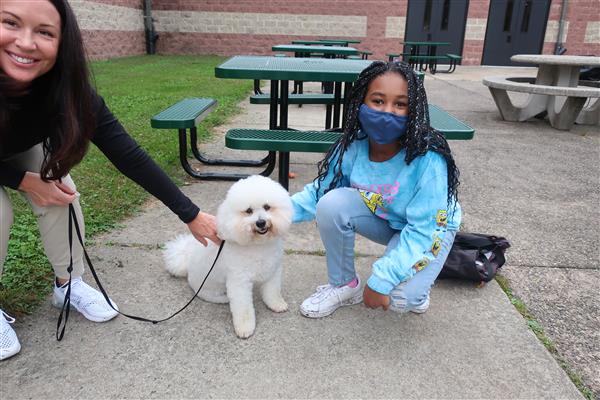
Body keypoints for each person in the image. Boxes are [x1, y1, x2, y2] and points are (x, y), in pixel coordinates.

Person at [0, 0, 219, 360]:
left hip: (17, 146)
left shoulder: (71, 94)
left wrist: (190, 214)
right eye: (11, 23)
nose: (26, 42)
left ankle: (68, 285)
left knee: (61, 190)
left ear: (62, 43)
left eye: (44, 31)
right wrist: (22, 180)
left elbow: (129, 155)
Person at [291, 60, 461, 318]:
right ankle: (344, 285)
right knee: (331, 203)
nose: (388, 112)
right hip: (387, 217)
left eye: (400, 104)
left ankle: (420, 284)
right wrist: (273, 214)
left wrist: (382, 279)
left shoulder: (428, 159)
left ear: (413, 109)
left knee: (400, 299)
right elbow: (319, 193)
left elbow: (425, 228)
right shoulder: (352, 145)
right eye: (378, 101)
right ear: (361, 102)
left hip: (431, 228)